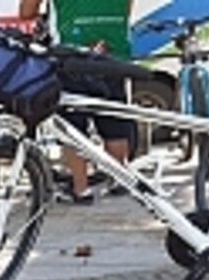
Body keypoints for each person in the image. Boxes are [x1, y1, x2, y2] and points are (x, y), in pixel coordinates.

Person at [19, 0, 136, 204]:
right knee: (114, 122)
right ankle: (118, 180)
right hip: (113, 54)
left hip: (72, 57)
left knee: (73, 129)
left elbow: (26, 12)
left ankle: (80, 189)